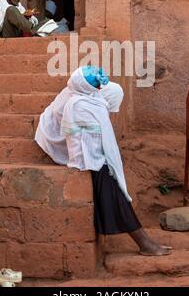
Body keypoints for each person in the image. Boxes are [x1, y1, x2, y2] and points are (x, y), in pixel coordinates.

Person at [35, 66, 171, 256]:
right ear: (85, 86)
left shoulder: (90, 99)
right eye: (94, 80)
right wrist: (91, 162)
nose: (98, 77)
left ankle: (145, 243)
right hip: (91, 160)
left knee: (113, 197)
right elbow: (79, 141)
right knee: (115, 196)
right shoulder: (77, 105)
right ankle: (145, 244)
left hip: (99, 159)